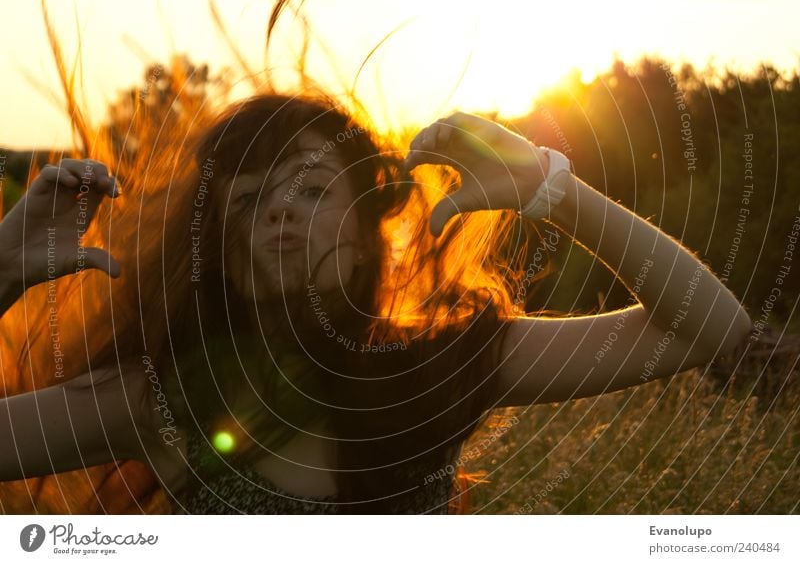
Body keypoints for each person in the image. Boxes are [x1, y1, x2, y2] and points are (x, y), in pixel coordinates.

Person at [0, 94, 752, 515]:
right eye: (253, 201)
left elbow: (711, 330)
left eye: (313, 188)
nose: (283, 214)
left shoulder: (438, 367)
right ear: (223, 253)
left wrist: (552, 193)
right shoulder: (163, 397)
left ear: (368, 236)